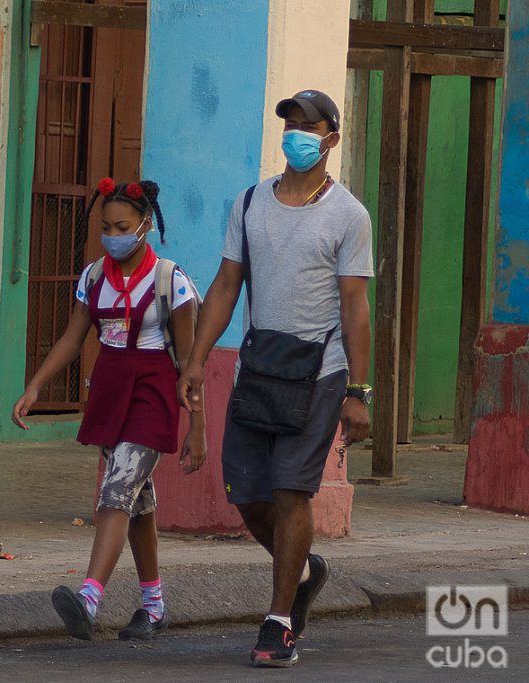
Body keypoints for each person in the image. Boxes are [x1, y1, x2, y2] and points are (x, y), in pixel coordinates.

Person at [180, 90, 374, 668]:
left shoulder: (349, 215)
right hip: (258, 369)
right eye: (290, 124)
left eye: (308, 126)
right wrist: (195, 359)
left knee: (292, 491)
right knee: (245, 493)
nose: (296, 134)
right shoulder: (249, 203)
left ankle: (279, 619)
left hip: (319, 373)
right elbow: (225, 285)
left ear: (331, 140)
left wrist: (358, 393)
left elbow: (355, 307)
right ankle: (305, 569)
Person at [11, 177, 207, 641]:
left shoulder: (171, 282)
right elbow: (72, 337)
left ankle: (89, 598)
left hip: (154, 392)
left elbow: (190, 362)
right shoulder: (93, 276)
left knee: (116, 491)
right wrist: (36, 385)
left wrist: (198, 428)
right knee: (139, 504)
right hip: (110, 390)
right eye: (106, 226)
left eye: (122, 226)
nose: (113, 235)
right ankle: (154, 606)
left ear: (145, 226)